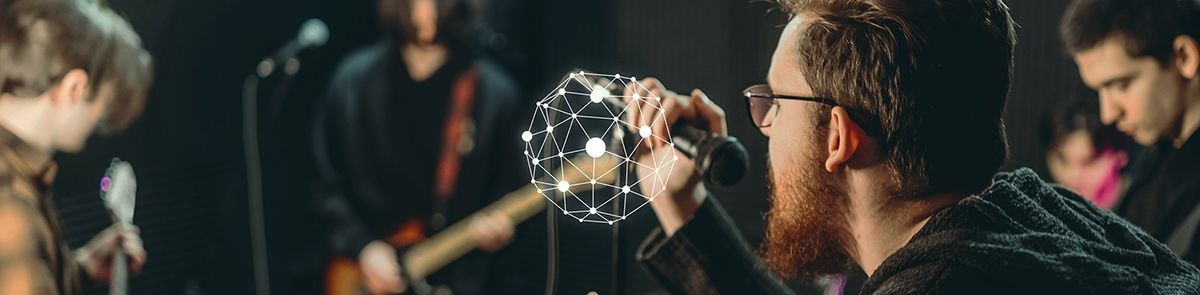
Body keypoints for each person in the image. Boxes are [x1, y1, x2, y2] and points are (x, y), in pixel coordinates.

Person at [622, 0, 1200, 293]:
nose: (764, 125)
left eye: (773, 101)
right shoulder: (1036, 226)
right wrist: (682, 204)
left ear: (839, 137)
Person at [312, 0, 525, 293]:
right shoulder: (351, 82)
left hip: (457, 279)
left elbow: (506, 192)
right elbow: (324, 184)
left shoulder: (494, 94)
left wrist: (500, 231)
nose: (424, 12)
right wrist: (363, 247)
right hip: (360, 272)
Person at [0, 0, 153, 293]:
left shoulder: (20, 174)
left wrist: (79, 268)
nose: (100, 123)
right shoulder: (12, 204)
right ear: (75, 88)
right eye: (104, 108)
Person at [1061, 0, 1200, 264]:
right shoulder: (1156, 161)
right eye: (1099, 90)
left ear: (1184, 57)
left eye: (1121, 85)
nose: (1108, 114)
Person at [1039, 92, 1133, 210]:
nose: (1073, 177)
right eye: (1062, 160)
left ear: (1121, 155)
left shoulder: (1151, 213)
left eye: (1089, 161)